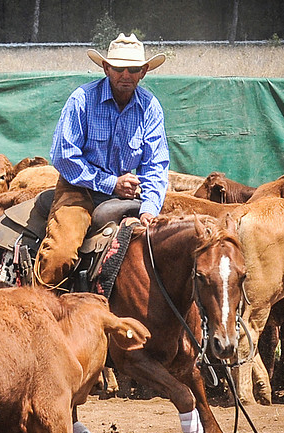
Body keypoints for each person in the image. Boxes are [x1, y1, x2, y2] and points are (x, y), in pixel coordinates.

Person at [34, 32, 170, 290]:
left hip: (126, 194)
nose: (126, 75)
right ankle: (43, 310)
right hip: (78, 189)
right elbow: (64, 156)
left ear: (143, 72)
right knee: (60, 255)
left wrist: (150, 209)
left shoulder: (150, 108)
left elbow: (155, 166)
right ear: (107, 68)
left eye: (133, 69)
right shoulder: (82, 100)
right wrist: (111, 184)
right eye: (119, 68)